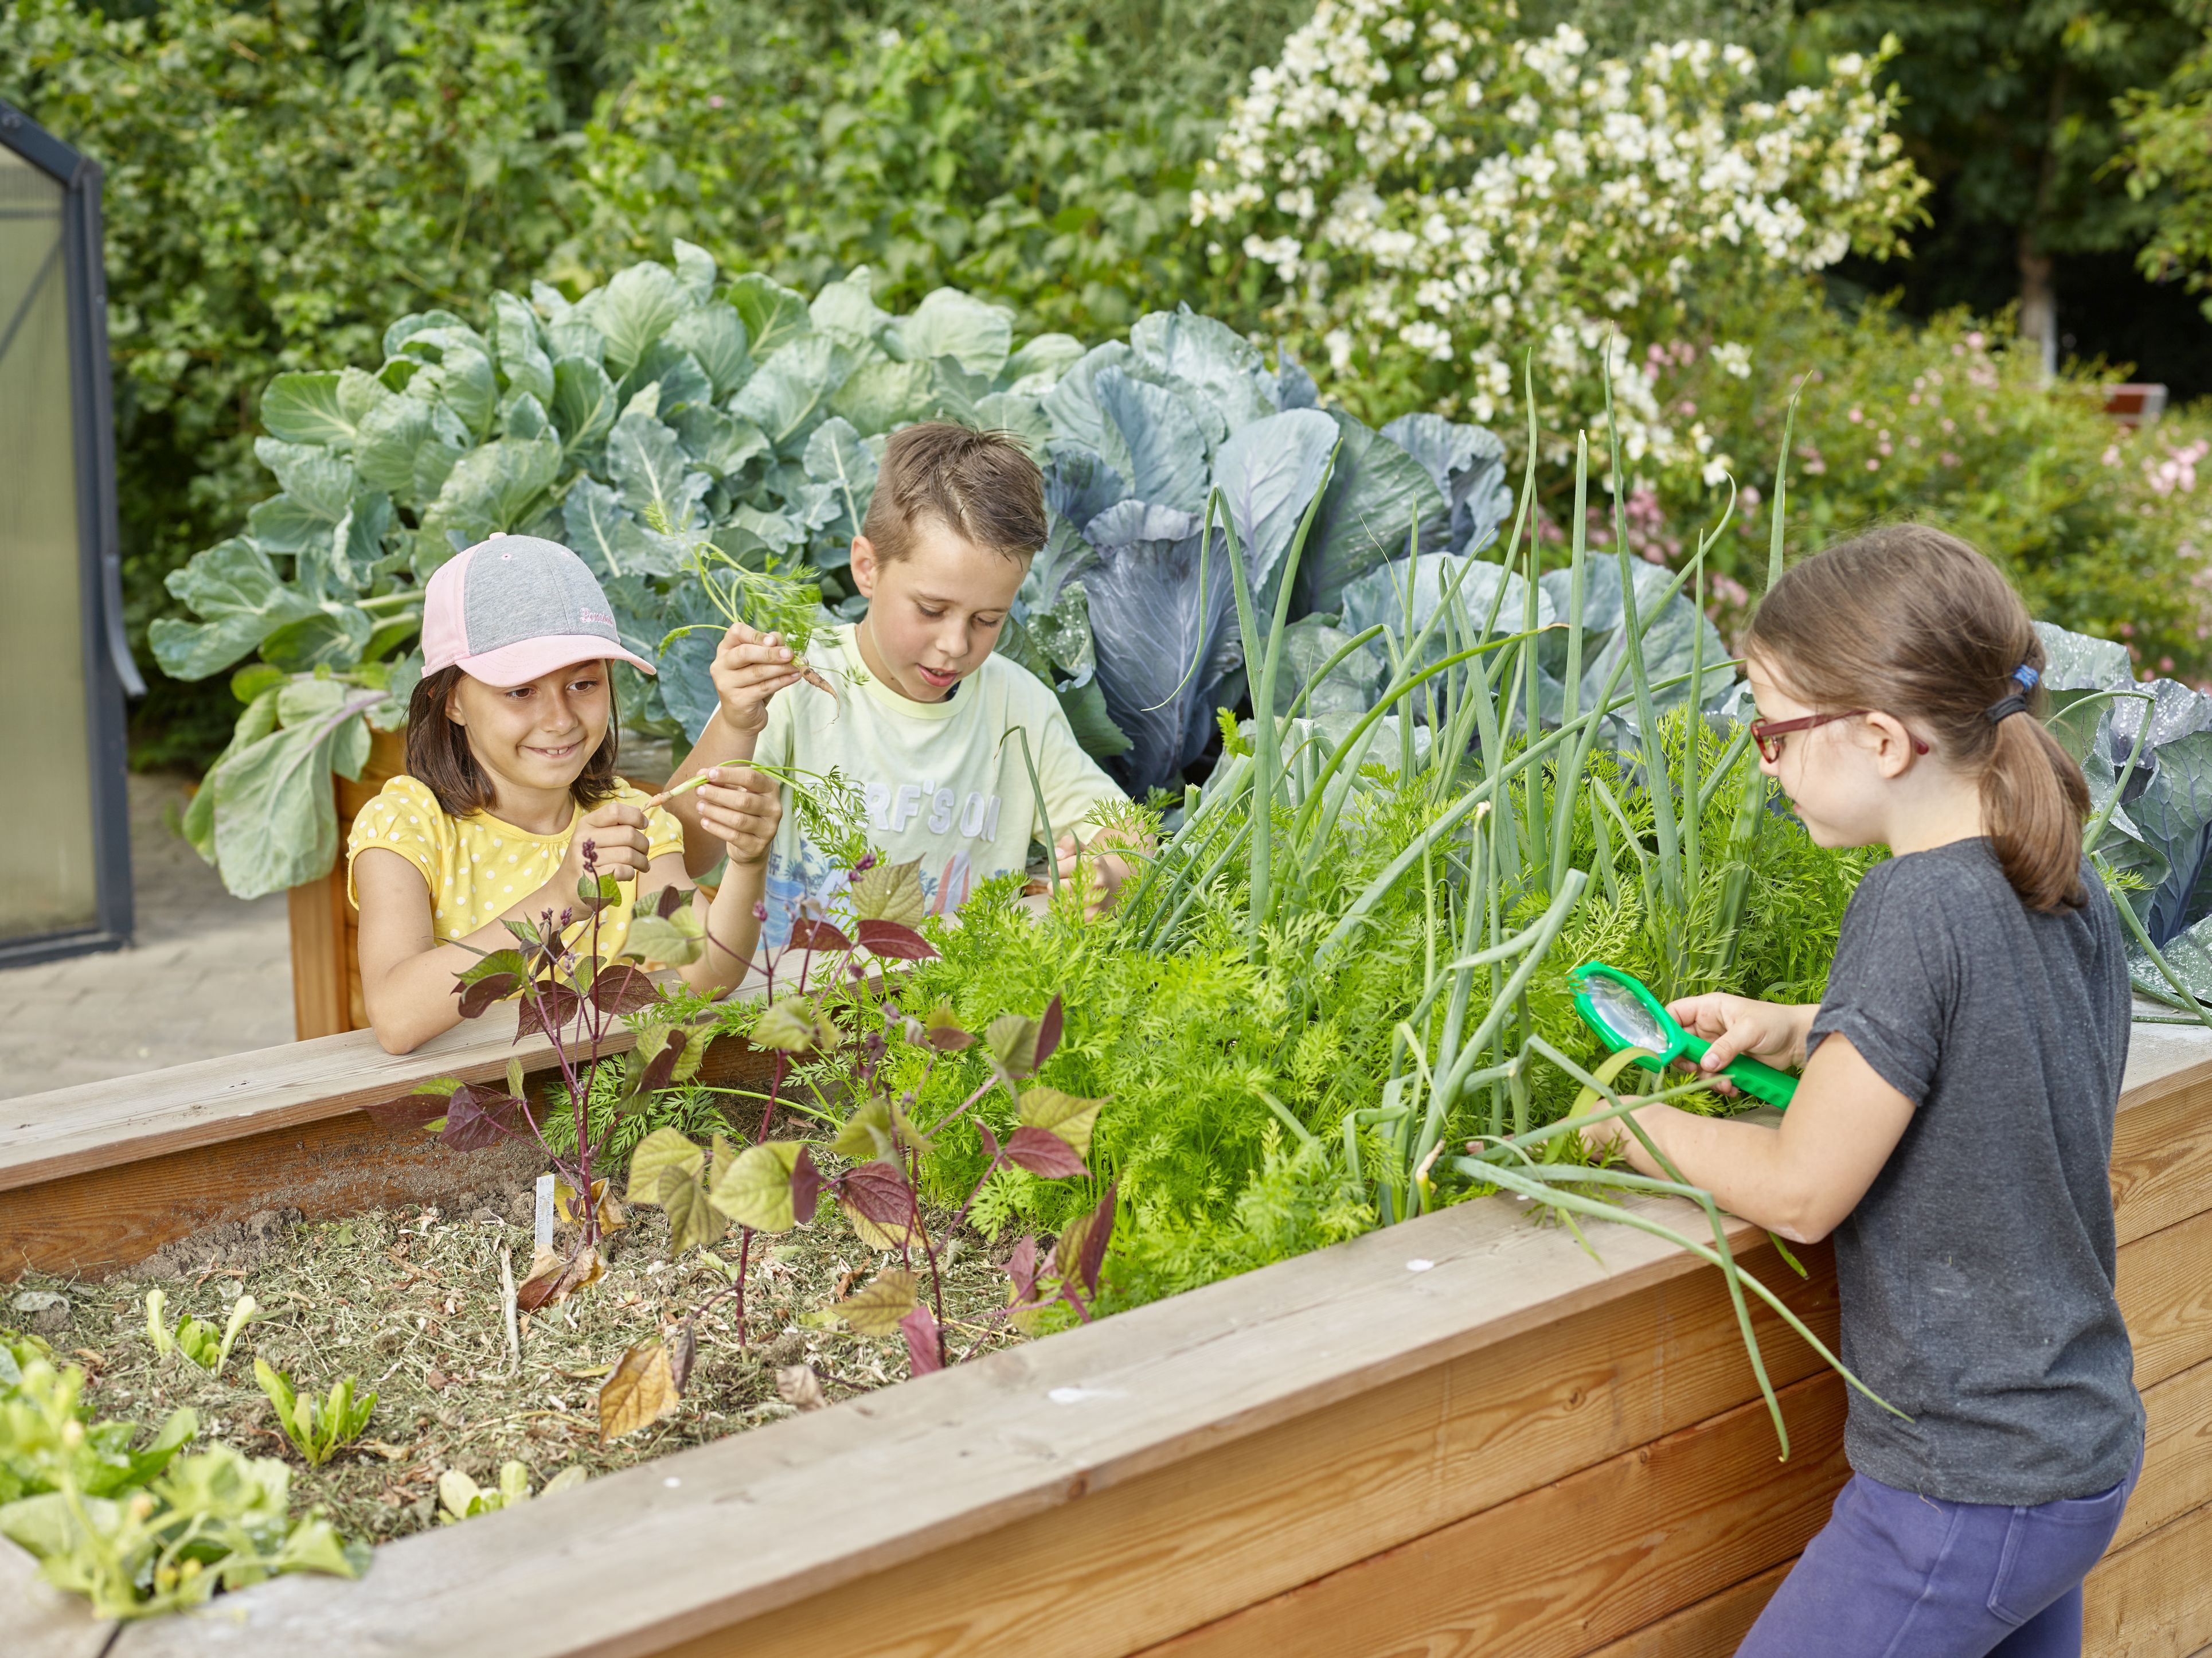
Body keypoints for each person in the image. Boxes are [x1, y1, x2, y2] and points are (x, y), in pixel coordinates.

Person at [1581, 526, 2143, 1657]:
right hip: (2073, 1445)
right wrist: (1800, 1032)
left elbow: (1801, 1189)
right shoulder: (2058, 881)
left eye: (1775, 729)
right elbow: (1994, 1060)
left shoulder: (1908, 907)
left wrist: (1639, 1128)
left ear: (1883, 737)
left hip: (1963, 1484)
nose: (1766, 760)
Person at [661, 423, 1134, 947]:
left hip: (957, 1003)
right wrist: (735, 721)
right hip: (800, 1003)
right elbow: (686, 855)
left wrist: (1108, 875)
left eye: (988, 619)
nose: (956, 644)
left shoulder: (1019, 706)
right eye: (932, 610)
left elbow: (1129, 838)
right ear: (867, 567)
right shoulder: (795, 684)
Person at [349, 535, 781, 1055]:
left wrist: (749, 860)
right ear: (451, 701)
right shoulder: (407, 824)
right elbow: (395, 1017)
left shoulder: (627, 819)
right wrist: (559, 900)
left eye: (584, 684)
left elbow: (707, 971)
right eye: (520, 691)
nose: (559, 719)